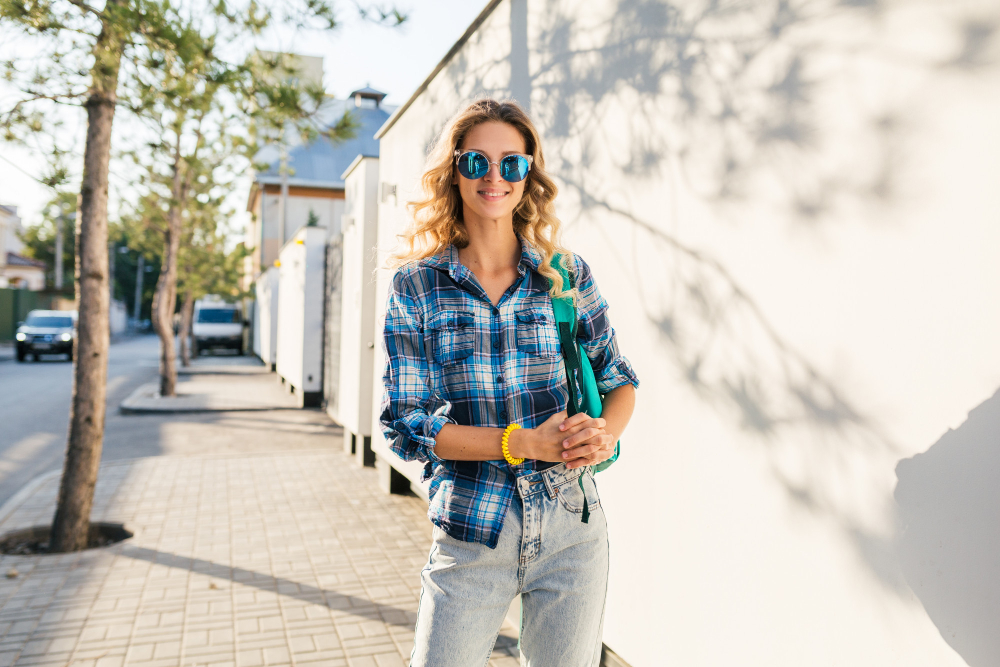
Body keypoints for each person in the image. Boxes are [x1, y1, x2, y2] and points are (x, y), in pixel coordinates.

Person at [380, 98, 638, 667]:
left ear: (529, 176)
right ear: (454, 172)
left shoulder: (564, 275)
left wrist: (603, 434)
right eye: (476, 162)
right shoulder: (417, 287)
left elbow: (619, 379)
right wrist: (518, 442)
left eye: (511, 164)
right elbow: (408, 424)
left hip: (572, 524)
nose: (494, 177)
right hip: (473, 527)